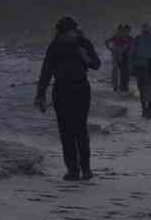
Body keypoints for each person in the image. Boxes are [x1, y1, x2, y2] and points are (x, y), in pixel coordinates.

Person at [35, 16, 101, 180]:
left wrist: (85, 57)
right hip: (61, 90)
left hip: (81, 89)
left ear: (74, 30)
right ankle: (72, 169)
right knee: (65, 132)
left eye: (67, 32)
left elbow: (96, 65)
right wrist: (40, 95)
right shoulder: (55, 46)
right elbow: (46, 71)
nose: (64, 35)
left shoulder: (84, 43)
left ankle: (86, 168)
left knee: (80, 130)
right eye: (61, 32)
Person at [130, 22, 151, 119]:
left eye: (146, 30)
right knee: (143, 89)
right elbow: (132, 52)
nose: (145, 32)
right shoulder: (138, 39)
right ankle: (146, 108)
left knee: (149, 89)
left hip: (150, 65)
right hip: (142, 66)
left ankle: (148, 109)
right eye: (144, 31)